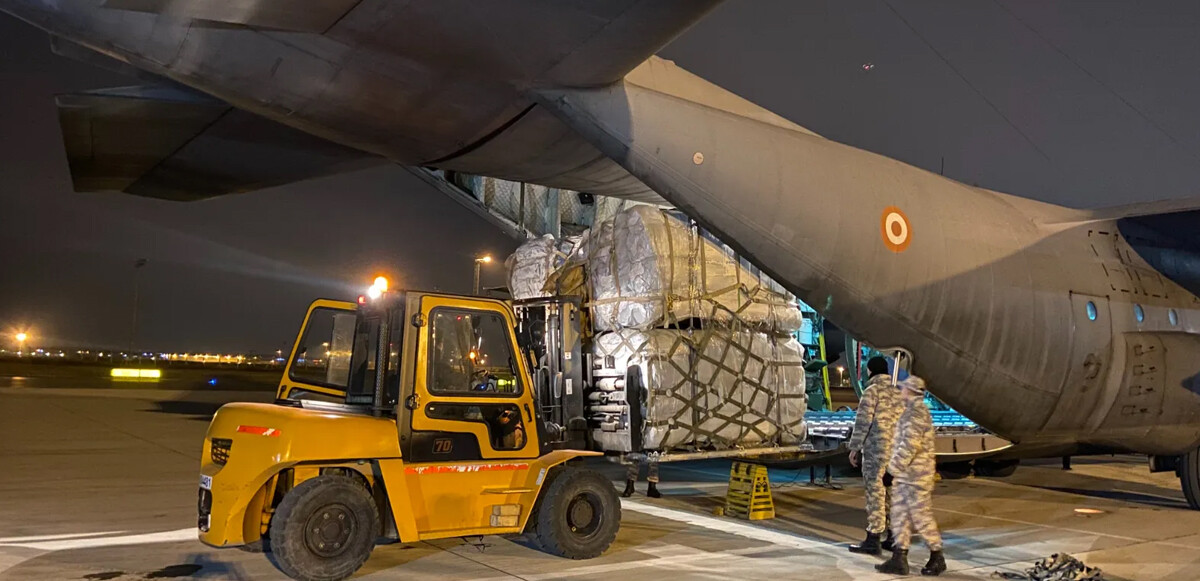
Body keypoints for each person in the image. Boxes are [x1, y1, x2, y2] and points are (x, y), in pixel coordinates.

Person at [877, 375, 946, 576]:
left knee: (921, 517)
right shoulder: (911, 411)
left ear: (911, 391)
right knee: (900, 517)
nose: (901, 392)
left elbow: (909, 446)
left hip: (916, 477)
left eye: (903, 389)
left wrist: (891, 470)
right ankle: (899, 558)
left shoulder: (916, 413)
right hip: (907, 477)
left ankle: (937, 556)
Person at [847, 356, 902, 555]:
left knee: (875, 493)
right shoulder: (898, 393)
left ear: (870, 371)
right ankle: (894, 538)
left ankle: (873, 539)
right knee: (892, 494)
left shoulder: (871, 392)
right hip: (896, 453)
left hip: (876, 452)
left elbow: (863, 422)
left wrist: (854, 448)